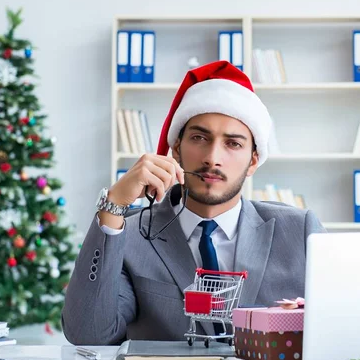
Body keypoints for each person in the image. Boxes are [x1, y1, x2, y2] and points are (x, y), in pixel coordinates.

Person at [62, 60, 326, 345]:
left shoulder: (300, 231)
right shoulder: (132, 235)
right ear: (176, 149)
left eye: (233, 144)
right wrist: (113, 205)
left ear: (253, 161)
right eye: (200, 138)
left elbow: (342, 327)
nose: (212, 157)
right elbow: (87, 334)